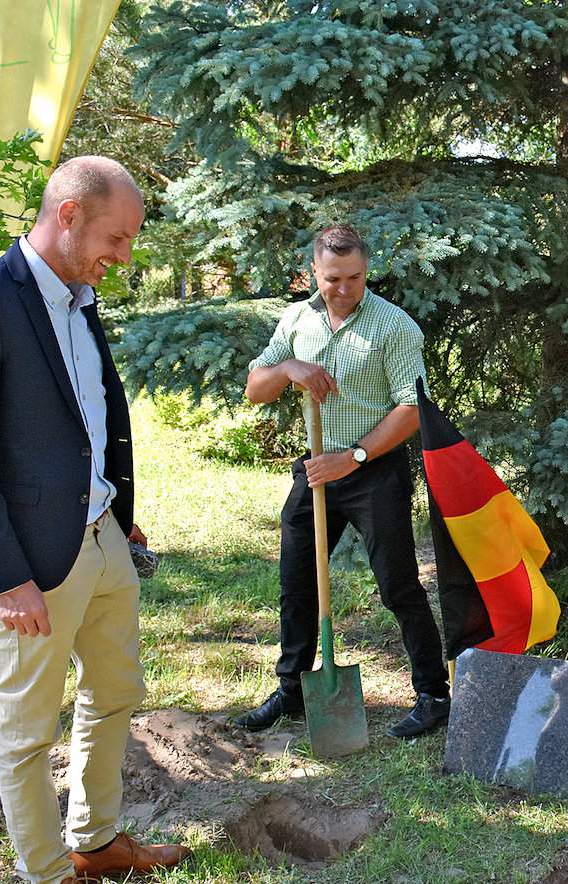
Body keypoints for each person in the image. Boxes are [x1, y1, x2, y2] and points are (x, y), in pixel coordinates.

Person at [0, 157, 191, 884]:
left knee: (116, 694)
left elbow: (84, 420)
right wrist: (2, 574)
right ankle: (44, 873)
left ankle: (96, 840)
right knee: (25, 732)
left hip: (104, 537)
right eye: (118, 237)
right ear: (69, 213)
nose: (125, 256)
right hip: (31, 565)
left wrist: (116, 509)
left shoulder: (80, 297)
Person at [233, 223, 450, 738]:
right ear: (314, 271)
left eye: (354, 277)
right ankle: (292, 691)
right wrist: (289, 367)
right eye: (332, 278)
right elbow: (254, 390)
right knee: (296, 584)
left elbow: (411, 408)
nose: (344, 288)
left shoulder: (394, 327)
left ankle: (434, 695)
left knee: (398, 585)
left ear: (366, 270)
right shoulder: (297, 320)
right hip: (314, 471)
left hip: (372, 470)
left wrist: (352, 458)